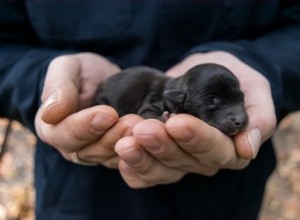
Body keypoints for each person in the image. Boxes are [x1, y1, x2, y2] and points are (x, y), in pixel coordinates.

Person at [0, 1, 299, 219]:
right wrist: (42, 82)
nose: (239, 115)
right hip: (82, 200)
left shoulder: (183, 96)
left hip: (226, 200)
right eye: (215, 103)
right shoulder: (164, 97)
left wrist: (264, 66)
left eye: (237, 98)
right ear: (178, 99)